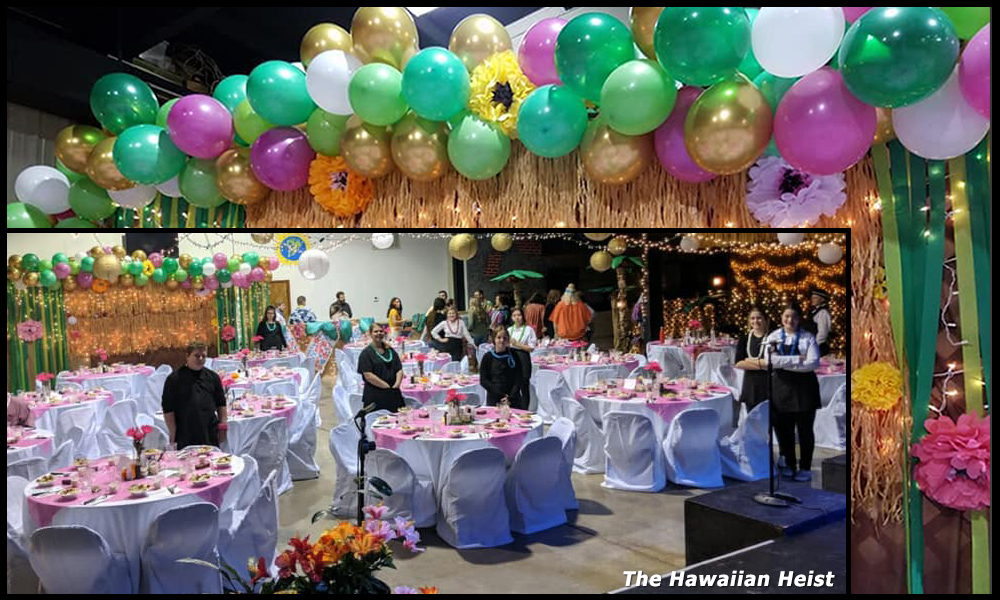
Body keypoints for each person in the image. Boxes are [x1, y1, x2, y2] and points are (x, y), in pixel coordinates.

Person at [765, 303, 822, 482]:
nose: (790, 320)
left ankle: (805, 467)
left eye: (794, 317)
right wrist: (798, 359)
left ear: (799, 319)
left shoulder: (807, 338)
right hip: (781, 389)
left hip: (805, 390)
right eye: (787, 316)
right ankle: (790, 464)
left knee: (805, 430)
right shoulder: (774, 336)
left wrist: (784, 363)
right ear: (782, 318)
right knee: (784, 431)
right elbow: (770, 361)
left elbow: (813, 363)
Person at [163, 341, 227, 449]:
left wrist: (223, 428)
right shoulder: (174, 379)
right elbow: (168, 410)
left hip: (209, 429)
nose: (201, 359)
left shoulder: (213, 377)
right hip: (185, 431)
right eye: (197, 356)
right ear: (187, 356)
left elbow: (221, 404)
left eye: (204, 356)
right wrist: (173, 434)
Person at [733, 307, 771, 423]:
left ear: (766, 320)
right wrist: (761, 364)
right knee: (753, 420)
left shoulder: (772, 338)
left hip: (768, 384)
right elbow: (738, 363)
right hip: (751, 385)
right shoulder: (744, 339)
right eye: (752, 318)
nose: (755, 321)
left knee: (767, 420)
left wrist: (749, 360)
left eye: (759, 318)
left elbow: (771, 363)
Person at [357, 322, 405, 413]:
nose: (379, 333)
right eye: (375, 331)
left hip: (393, 392)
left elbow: (399, 368)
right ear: (370, 334)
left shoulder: (390, 350)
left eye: (381, 331)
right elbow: (368, 375)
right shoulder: (366, 353)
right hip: (375, 394)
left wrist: (396, 385)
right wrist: (386, 386)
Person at [479, 326, 527, 409]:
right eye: (499, 337)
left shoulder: (514, 355)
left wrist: (510, 397)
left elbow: (519, 377)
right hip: (495, 398)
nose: (502, 340)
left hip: (513, 398)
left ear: (508, 339)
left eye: (505, 338)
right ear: (494, 339)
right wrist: (501, 395)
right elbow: (483, 380)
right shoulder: (488, 357)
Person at [803, 289, 833, 356]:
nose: (812, 299)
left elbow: (823, 332)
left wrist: (814, 346)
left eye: (815, 298)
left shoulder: (823, 313)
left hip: (819, 347)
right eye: (812, 297)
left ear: (822, 299)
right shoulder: (815, 312)